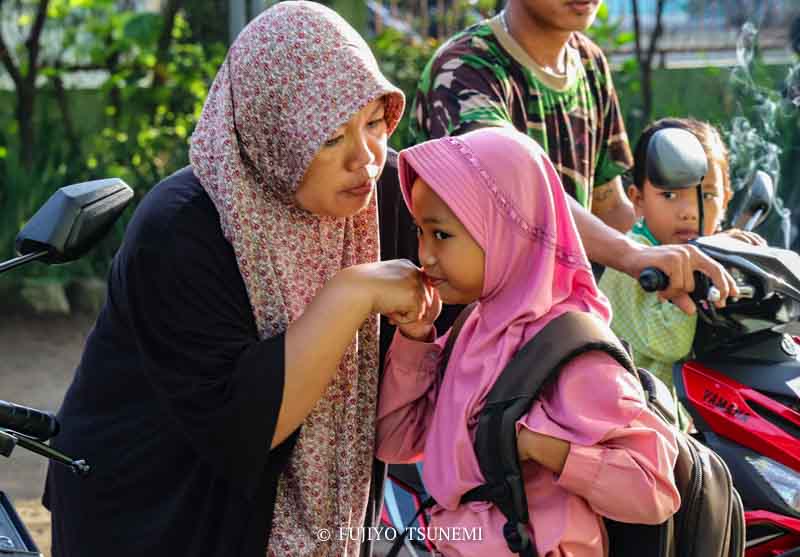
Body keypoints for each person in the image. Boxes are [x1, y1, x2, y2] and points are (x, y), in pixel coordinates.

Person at [42, 3, 436, 557]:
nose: (365, 159)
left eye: (373, 123)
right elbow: (242, 428)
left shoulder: (386, 199)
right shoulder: (183, 228)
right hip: (155, 509)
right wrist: (352, 294)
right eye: (329, 138)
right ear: (271, 132)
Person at [376, 127, 681, 556]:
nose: (424, 254)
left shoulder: (567, 352)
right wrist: (414, 340)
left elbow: (653, 490)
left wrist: (549, 451)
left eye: (441, 234)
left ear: (504, 229)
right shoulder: (473, 331)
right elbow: (396, 442)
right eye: (420, 232)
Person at [407, 0, 737, 319]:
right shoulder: (466, 68)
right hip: (472, 334)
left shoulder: (588, 62)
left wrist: (696, 251)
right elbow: (515, 181)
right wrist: (632, 254)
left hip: (560, 326)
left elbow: (608, 207)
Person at [599, 118, 764, 426]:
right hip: (638, 433)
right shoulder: (629, 261)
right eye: (671, 195)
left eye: (707, 195)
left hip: (696, 427)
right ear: (637, 200)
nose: (689, 210)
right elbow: (668, 341)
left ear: (727, 200)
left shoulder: (718, 254)